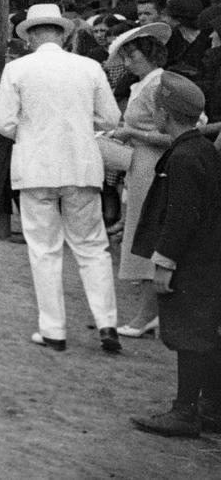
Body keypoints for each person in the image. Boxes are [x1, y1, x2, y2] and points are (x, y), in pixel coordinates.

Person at [0, 3, 122, 354]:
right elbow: (111, 118)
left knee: (44, 250)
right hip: (81, 165)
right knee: (92, 246)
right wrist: (79, 126)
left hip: (36, 167)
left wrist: (30, 133)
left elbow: (2, 121)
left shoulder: (17, 69)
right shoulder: (89, 67)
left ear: (31, 36)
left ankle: (53, 330)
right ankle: (107, 323)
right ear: (63, 35)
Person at [127, 73, 221, 438]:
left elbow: (181, 216)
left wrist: (165, 261)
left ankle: (185, 412)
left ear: (164, 113)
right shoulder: (202, 149)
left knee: (189, 334)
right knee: (205, 332)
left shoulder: (182, 156)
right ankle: (211, 408)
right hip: (206, 257)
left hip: (191, 260)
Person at [101, 21, 175, 339]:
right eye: (126, 57)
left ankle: (147, 314)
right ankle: (152, 312)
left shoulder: (159, 84)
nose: (128, 63)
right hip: (140, 164)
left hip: (153, 166)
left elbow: (179, 133)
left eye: (133, 56)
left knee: (146, 236)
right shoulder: (145, 83)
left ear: (151, 55)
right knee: (140, 233)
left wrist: (131, 132)